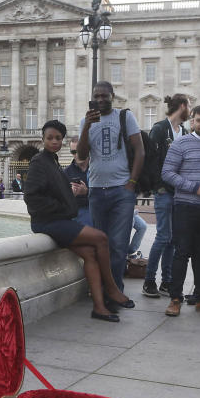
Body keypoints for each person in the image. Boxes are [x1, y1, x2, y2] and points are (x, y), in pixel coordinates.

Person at [24, 119, 134, 323]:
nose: (54, 141)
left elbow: (54, 192)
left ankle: (100, 308)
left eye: (58, 138)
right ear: (43, 139)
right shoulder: (39, 162)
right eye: (50, 138)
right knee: (101, 238)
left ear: (63, 140)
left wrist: (69, 197)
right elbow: (31, 196)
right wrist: (62, 207)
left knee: (91, 254)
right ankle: (112, 288)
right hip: (48, 222)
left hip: (58, 220)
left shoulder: (53, 161)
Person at [76, 81, 144, 294]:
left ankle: (116, 291)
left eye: (105, 96)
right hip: (96, 190)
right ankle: (104, 289)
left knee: (118, 244)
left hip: (121, 191)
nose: (101, 100)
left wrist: (131, 184)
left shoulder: (125, 117)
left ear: (112, 96)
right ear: (92, 97)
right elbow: (82, 155)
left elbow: (140, 151)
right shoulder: (84, 122)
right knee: (101, 244)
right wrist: (87, 125)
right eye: (97, 96)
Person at [161, 104, 200, 317]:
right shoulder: (180, 143)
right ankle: (175, 298)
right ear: (192, 121)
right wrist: (195, 187)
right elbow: (167, 173)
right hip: (185, 207)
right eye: (199, 120)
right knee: (182, 253)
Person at [142, 94, 190, 297]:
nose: (191, 110)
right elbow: (151, 159)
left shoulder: (185, 131)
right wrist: (157, 187)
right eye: (189, 106)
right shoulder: (160, 129)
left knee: (172, 239)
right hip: (163, 191)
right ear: (182, 106)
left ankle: (167, 281)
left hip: (178, 192)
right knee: (163, 236)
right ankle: (149, 280)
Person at [65, 137, 92, 226]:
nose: (77, 154)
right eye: (73, 152)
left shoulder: (97, 168)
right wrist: (71, 194)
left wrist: (86, 192)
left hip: (97, 208)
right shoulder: (66, 172)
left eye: (79, 150)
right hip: (78, 210)